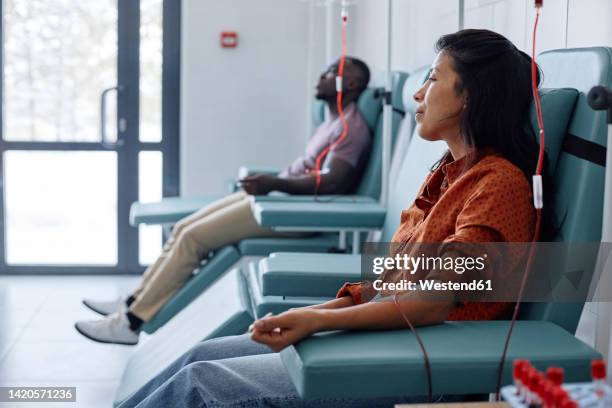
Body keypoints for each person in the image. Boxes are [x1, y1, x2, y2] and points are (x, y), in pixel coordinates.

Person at [117, 29, 554, 407]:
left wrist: (319, 321)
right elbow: (396, 283)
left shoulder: (497, 185)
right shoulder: (446, 174)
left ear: (470, 96)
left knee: (202, 385)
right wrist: (316, 311)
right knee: (203, 356)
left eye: (433, 78)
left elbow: (433, 301)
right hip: (395, 338)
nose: (419, 94)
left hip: (428, 363)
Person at [75, 57, 373, 345]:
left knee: (193, 238)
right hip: (278, 200)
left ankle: (131, 323)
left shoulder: (352, 129)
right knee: (183, 227)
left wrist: (273, 183)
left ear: (351, 83)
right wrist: (270, 183)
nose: (322, 75)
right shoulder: (332, 122)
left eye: (331, 71)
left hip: (292, 212)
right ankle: (133, 300)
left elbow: (335, 182)